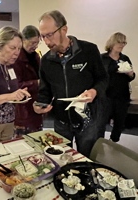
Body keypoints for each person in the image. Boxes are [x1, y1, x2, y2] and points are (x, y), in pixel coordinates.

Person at [33, 10, 108, 157]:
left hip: (88, 119)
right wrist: (39, 105)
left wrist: (94, 91)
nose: (47, 42)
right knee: (62, 158)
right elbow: (45, 91)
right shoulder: (46, 61)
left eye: (49, 35)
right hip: (61, 121)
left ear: (64, 30)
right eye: (43, 37)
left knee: (86, 158)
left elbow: (103, 79)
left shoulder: (89, 50)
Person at [101, 32, 135, 142]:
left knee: (119, 122)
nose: (122, 45)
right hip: (106, 96)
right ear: (112, 42)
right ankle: (98, 142)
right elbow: (99, 75)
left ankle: (114, 142)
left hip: (122, 96)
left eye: (124, 43)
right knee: (101, 121)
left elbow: (131, 76)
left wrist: (131, 75)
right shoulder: (103, 58)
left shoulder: (125, 58)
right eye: (119, 42)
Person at [13, 25, 43, 137]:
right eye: (32, 43)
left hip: (36, 104)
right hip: (23, 107)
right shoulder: (16, 58)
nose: (35, 46)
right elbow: (16, 85)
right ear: (23, 40)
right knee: (24, 141)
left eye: (37, 42)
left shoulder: (36, 56)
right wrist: (37, 83)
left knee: (37, 139)